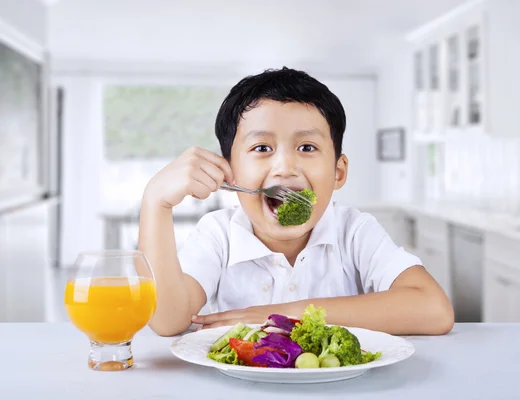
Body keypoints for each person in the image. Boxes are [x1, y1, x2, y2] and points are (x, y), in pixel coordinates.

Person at [138, 67, 454, 337]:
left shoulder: (354, 231)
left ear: (338, 173)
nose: (286, 167)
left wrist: (285, 315)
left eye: (306, 147)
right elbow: (167, 321)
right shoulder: (218, 233)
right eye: (262, 148)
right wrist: (156, 202)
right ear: (228, 175)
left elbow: (434, 309)